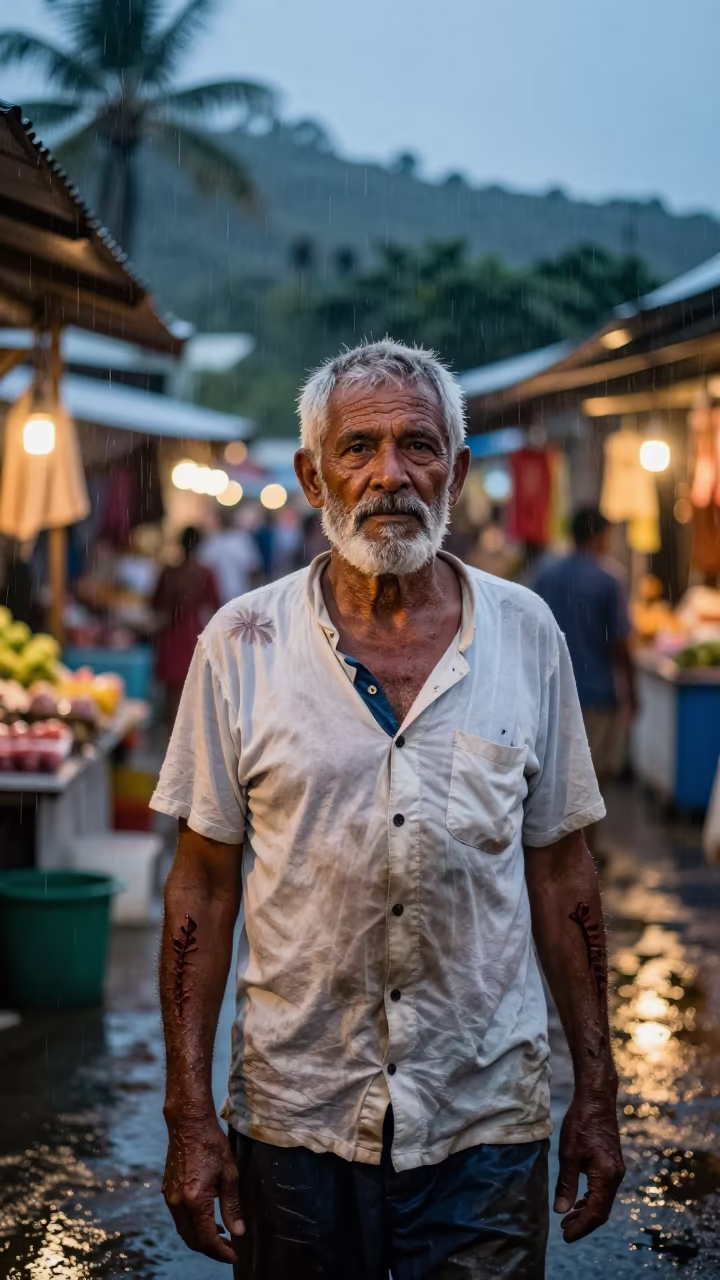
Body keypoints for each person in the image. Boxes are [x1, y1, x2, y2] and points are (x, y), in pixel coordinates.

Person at [151, 341, 624, 1279]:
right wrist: (189, 1112)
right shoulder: (240, 642)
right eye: (358, 446)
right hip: (297, 1115)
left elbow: (564, 871)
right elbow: (202, 887)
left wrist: (599, 1091)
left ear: (456, 464)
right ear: (311, 473)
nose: (390, 474)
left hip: (484, 1118)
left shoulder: (527, 632)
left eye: (418, 444)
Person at [534, 507, 637, 825]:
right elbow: (620, 642)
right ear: (597, 535)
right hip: (596, 692)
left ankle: (561, 845)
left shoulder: (546, 574)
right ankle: (586, 850)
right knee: (592, 775)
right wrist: (633, 691)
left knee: (557, 774)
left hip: (551, 690)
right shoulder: (609, 579)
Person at [151, 526, 220, 725]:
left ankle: (170, 737)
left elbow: (155, 603)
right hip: (193, 634)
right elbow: (216, 603)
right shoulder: (205, 573)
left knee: (171, 693)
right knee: (193, 691)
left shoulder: (169, 572)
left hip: (171, 634)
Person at [197, 509, 261, 605]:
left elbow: (252, 568)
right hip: (220, 597)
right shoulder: (212, 540)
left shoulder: (242, 538)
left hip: (239, 595)